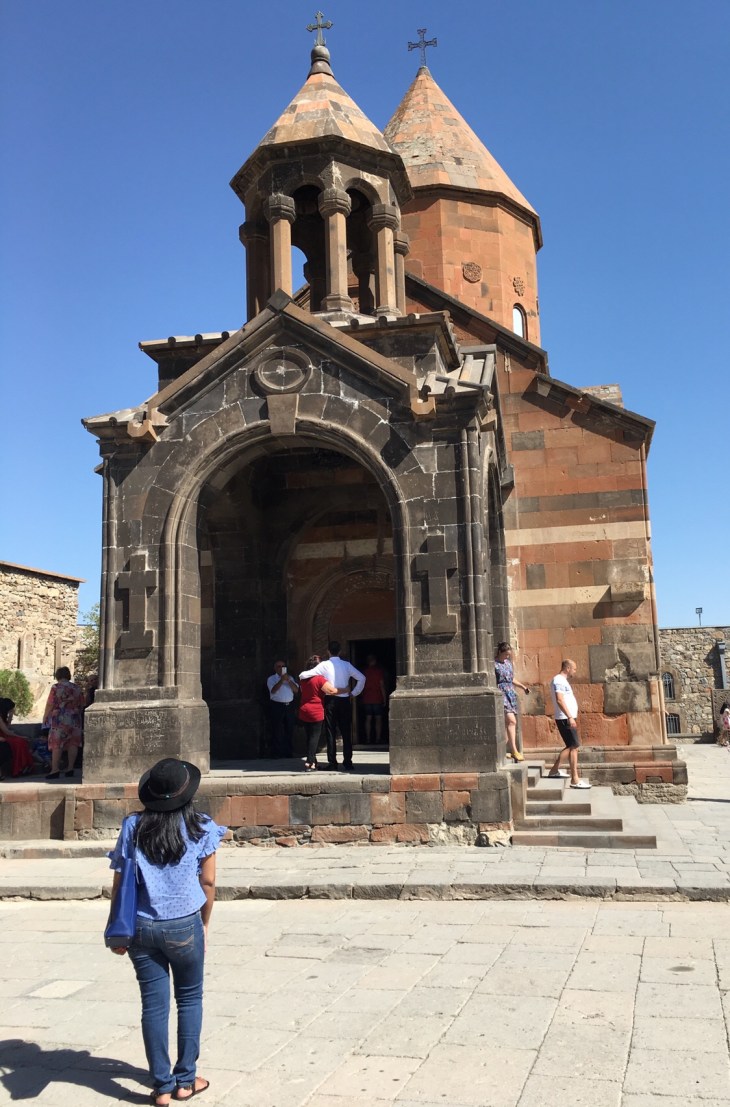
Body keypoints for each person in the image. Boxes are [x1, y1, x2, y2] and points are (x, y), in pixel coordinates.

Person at [107, 757, 225, 1105]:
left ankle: (161, 1086)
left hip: (141, 925)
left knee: (153, 1005)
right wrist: (204, 922)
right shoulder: (201, 827)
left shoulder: (132, 826)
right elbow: (209, 881)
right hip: (185, 923)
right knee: (189, 998)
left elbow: (119, 883)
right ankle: (185, 1080)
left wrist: (116, 926)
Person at [300, 642, 365, 771]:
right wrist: (353, 693)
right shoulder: (346, 665)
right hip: (345, 699)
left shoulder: (324, 665)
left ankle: (332, 762)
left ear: (328, 651)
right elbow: (362, 678)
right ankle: (348, 761)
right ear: (340, 651)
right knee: (346, 732)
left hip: (330, 700)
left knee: (330, 732)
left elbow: (303, 675)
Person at [297, 655, 345, 771]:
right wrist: (346, 690)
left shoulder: (303, 679)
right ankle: (309, 762)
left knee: (309, 737)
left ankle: (313, 762)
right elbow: (332, 690)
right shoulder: (319, 679)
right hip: (316, 710)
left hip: (304, 709)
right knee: (315, 737)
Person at [548, 659, 591, 789]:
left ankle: (554, 770)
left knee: (571, 745)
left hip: (567, 717)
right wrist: (570, 716)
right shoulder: (559, 680)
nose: (575, 671)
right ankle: (575, 779)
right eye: (574, 669)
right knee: (574, 747)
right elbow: (560, 700)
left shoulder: (562, 681)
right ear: (567, 668)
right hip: (565, 718)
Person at [42, 666, 86, 780]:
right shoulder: (76, 688)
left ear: (58, 675)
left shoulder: (56, 687)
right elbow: (82, 703)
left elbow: (50, 703)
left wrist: (45, 716)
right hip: (75, 717)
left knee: (57, 743)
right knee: (73, 743)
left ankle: (55, 769)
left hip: (60, 718)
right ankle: (70, 768)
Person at [494, 642, 530, 763]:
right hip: (501, 692)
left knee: (507, 723)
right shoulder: (494, 664)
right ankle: (514, 750)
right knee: (511, 721)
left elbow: (511, 678)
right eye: (505, 654)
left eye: (509, 655)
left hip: (510, 692)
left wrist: (523, 687)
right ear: (500, 652)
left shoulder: (508, 663)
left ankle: (504, 749)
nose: (507, 657)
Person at [266, 661, 299, 759]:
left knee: (289, 729)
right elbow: (273, 690)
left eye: (283, 666)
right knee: (277, 729)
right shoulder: (271, 679)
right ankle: (277, 753)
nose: (281, 668)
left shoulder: (290, 678)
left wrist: (288, 680)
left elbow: (296, 690)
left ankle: (288, 752)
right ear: (275, 668)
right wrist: (281, 680)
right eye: (279, 666)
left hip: (289, 706)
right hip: (277, 706)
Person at [0, 698, 35, 776]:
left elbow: (7, 726)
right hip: (3, 737)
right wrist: (20, 736)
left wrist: (10, 717)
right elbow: (7, 731)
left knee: (21, 742)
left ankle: (23, 767)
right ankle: (20, 768)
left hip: (5, 736)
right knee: (19, 741)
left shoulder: (3, 715)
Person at [360, 654, 388, 744]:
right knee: (378, 719)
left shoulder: (364, 672)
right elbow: (382, 685)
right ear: (374, 661)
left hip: (367, 698)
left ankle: (368, 738)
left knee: (368, 719)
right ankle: (378, 738)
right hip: (377, 698)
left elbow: (361, 686)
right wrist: (384, 698)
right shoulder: (378, 672)